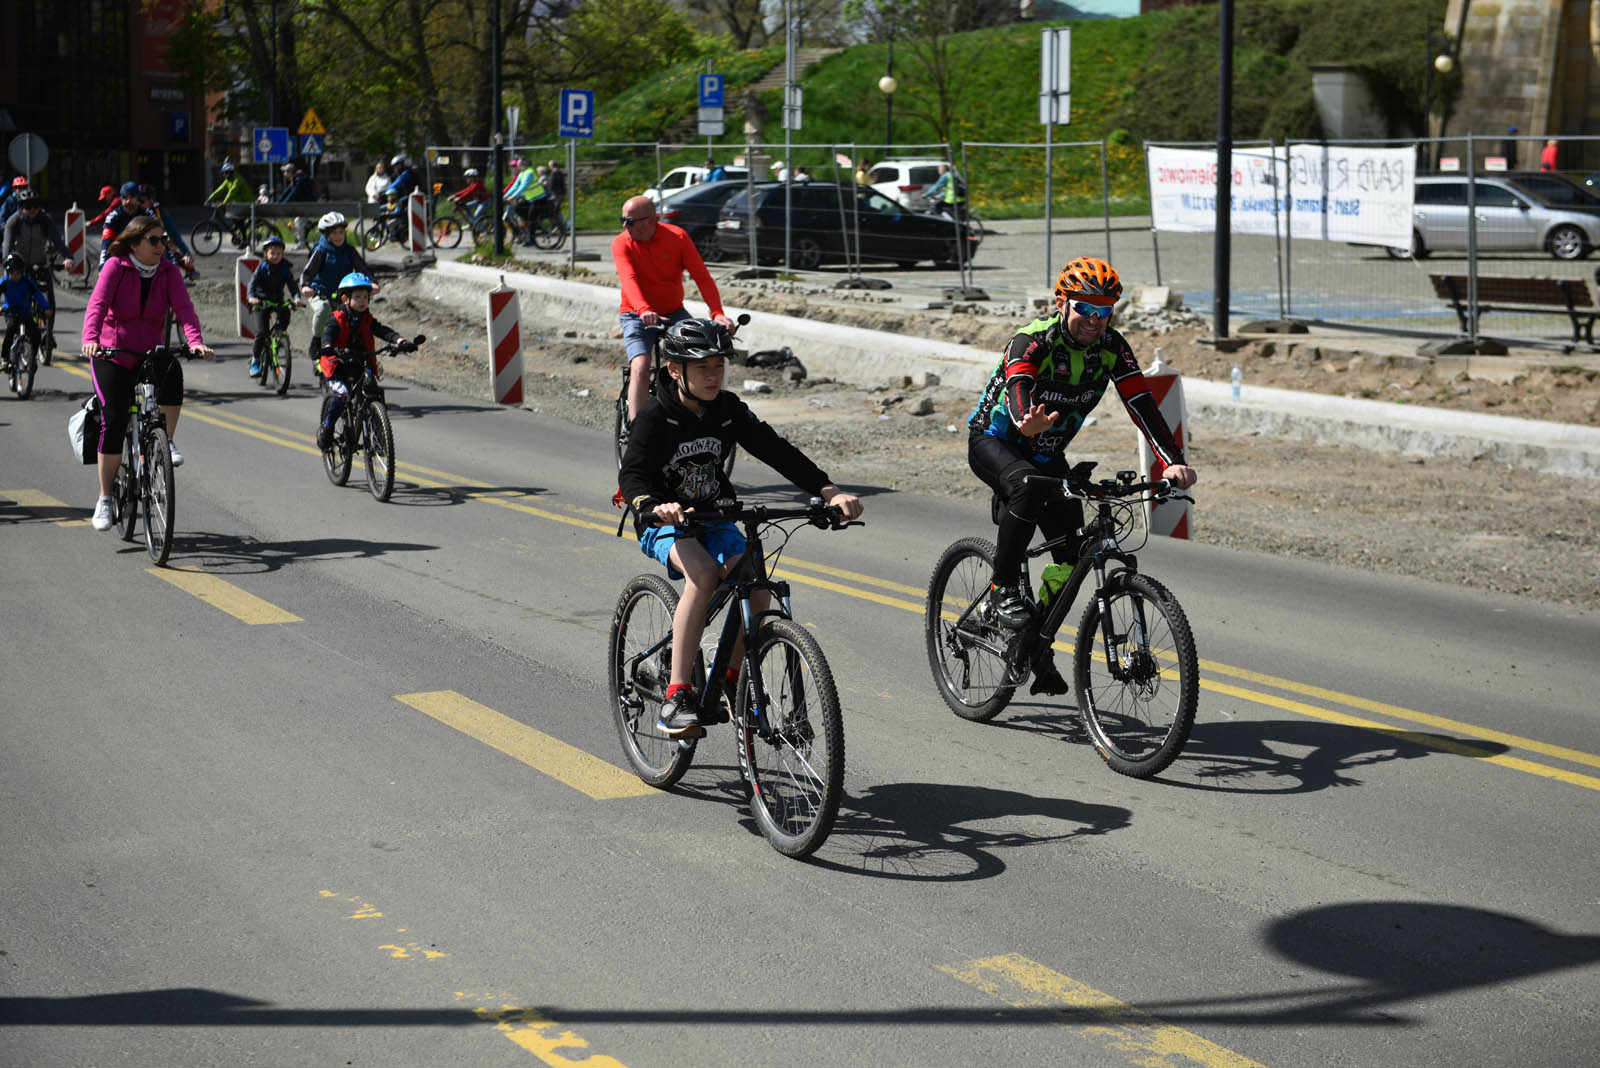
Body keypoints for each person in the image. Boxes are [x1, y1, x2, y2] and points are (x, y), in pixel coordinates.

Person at [618, 317, 863, 736]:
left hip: (715, 515)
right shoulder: (656, 415)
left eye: (719, 366)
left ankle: (732, 684)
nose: (714, 376)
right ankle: (677, 695)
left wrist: (827, 491)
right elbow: (632, 476)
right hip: (664, 520)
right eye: (703, 368)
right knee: (704, 574)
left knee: (757, 585)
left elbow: (775, 450)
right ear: (676, 370)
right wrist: (654, 506)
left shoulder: (728, 410)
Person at [966, 256, 1196, 693]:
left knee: (1071, 554)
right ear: (1061, 303)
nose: (1094, 320)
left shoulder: (1111, 345)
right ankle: (1002, 586)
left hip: (1047, 452)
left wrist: (1171, 459)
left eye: (1104, 310)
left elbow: (1140, 402)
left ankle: (1033, 636)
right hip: (996, 442)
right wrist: (1023, 420)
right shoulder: (1032, 339)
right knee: (1026, 488)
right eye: (1085, 309)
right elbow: (1019, 384)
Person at [81, 214, 215, 528]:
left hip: (149, 353)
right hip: (111, 354)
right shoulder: (116, 266)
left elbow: (184, 309)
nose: (161, 246)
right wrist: (90, 339)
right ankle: (105, 498)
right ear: (135, 242)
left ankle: (164, 439)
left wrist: (195, 342)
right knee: (113, 420)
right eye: (153, 240)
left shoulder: (168, 271)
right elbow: (97, 305)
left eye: (163, 240)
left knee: (172, 371)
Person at [611, 194, 735, 424]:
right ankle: (637, 428)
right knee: (640, 366)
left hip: (673, 312)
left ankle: (694, 413)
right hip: (636, 313)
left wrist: (717, 312)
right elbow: (629, 279)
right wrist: (643, 309)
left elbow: (702, 277)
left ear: (650, 220)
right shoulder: (621, 243)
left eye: (629, 221)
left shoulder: (677, 237)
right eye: (623, 220)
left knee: (698, 354)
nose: (624, 226)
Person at [315, 271, 419, 449]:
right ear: (346, 298)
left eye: (365, 296)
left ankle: (379, 437)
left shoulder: (367, 319)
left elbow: (382, 330)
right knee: (342, 395)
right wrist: (327, 347)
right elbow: (328, 334)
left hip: (361, 362)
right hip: (338, 364)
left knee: (375, 393)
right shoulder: (337, 318)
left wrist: (399, 341)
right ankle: (328, 428)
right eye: (357, 297)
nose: (362, 300)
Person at [299, 211, 372, 370]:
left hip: (343, 296)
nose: (339, 236)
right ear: (326, 234)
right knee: (323, 309)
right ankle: (317, 341)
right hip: (320, 293)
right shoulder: (320, 250)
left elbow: (362, 268)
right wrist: (306, 286)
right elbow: (308, 272)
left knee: (354, 319)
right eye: (334, 233)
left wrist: (372, 282)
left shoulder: (349, 250)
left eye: (341, 232)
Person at [246, 234, 300, 376]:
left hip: (277, 300)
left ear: (283, 254)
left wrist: (296, 297)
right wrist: (251, 297)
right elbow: (252, 284)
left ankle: (278, 333)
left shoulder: (285, 269)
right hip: (260, 301)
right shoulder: (262, 268)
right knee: (261, 332)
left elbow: (292, 286)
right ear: (265, 254)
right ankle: (255, 360)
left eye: (278, 253)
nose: (275, 256)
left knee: (286, 313)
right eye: (272, 253)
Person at [1, 252, 50, 381]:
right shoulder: (5, 282)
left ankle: (31, 358)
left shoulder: (27, 282)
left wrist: (46, 308)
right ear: (8, 272)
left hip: (26, 313)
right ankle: (5, 359)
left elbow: (38, 295)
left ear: (22, 272)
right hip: (11, 311)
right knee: (10, 330)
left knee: (35, 334)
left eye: (18, 273)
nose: (15, 276)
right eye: (12, 273)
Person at [99, 181, 147, 263]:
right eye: (125, 198)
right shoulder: (113, 217)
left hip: (144, 260)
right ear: (121, 199)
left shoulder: (147, 215)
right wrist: (102, 267)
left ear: (137, 198)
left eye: (131, 197)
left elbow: (160, 241)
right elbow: (105, 245)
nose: (128, 201)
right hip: (121, 260)